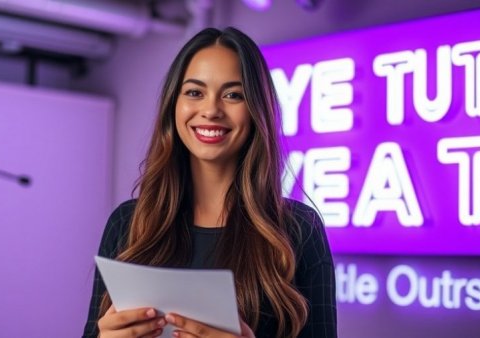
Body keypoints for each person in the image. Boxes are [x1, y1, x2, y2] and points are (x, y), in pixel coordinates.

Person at [82, 27, 337, 338]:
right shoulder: (128, 223)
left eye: (233, 95)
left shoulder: (298, 229)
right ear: (173, 105)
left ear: (256, 109)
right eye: (194, 92)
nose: (211, 110)